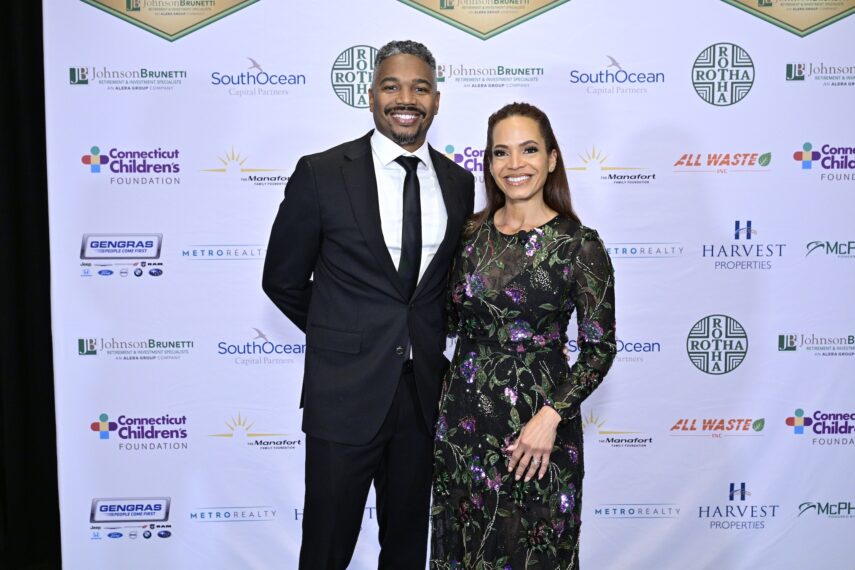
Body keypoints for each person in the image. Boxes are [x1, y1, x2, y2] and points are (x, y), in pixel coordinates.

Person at [262, 40, 475, 569]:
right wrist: (344, 334)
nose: (407, 99)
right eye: (392, 86)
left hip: (422, 398)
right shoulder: (321, 173)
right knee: (327, 548)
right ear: (372, 95)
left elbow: (446, 286)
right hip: (344, 395)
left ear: (437, 101)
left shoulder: (459, 182)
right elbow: (282, 280)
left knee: (406, 550)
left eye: (420, 88)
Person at [430, 102, 616, 569]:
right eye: (501, 153)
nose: (515, 165)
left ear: (552, 158)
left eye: (529, 150)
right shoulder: (467, 235)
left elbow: (598, 350)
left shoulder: (580, 244)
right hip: (462, 426)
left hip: (539, 429)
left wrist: (549, 418)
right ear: (489, 165)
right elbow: (443, 321)